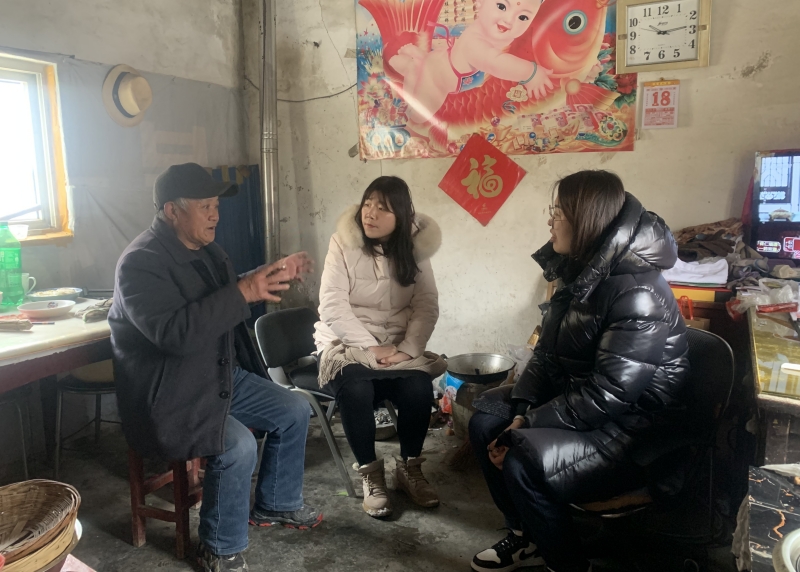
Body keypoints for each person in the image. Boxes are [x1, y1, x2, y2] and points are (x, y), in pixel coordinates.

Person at [469, 170, 689, 572]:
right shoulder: (580, 269)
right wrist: (521, 411)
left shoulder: (638, 292)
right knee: (486, 420)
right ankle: (526, 534)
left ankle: (568, 563)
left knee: (522, 459)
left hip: (631, 424)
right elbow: (545, 354)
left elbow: (611, 394)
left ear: (587, 220)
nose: (549, 221)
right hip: (583, 399)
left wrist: (527, 425)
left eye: (558, 213)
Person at [110, 163, 321, 572]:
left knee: (294, 409)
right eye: (205, 206)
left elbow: (222, 294)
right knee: (238, 446)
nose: (215, 215)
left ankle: (276, 503)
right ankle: (218, 548)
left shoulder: (207, 251)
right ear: (172, 211)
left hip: (217, 375)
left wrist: (263, 276)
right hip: (170, 393)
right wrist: (244, 291)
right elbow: (174, 333)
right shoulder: (139, 263)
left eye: (216, 206)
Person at [314, 175, 445, 518]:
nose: (370, 213)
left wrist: (407, 350)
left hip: (397, 345)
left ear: (401, 216)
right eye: (368, 203)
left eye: (382, 208)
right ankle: (371, 475)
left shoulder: (416, 247)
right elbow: (331, 305)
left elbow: (426, 304)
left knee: (418, 388)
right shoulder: (343, 242)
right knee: (357, 389)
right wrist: (369, 348)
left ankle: (409, 469)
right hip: (346, 341)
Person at [387, 0, 554, 141]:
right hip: (436, 81)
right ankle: (411, 69)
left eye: (523, 17)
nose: (509, 20)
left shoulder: (488, 29)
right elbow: (495, 62)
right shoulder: (474, 43)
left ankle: (417, 61)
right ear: (480, 2)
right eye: (502, 6)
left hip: (440, 60)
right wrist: (530, 72)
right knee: (418, 116)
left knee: (427, 68)